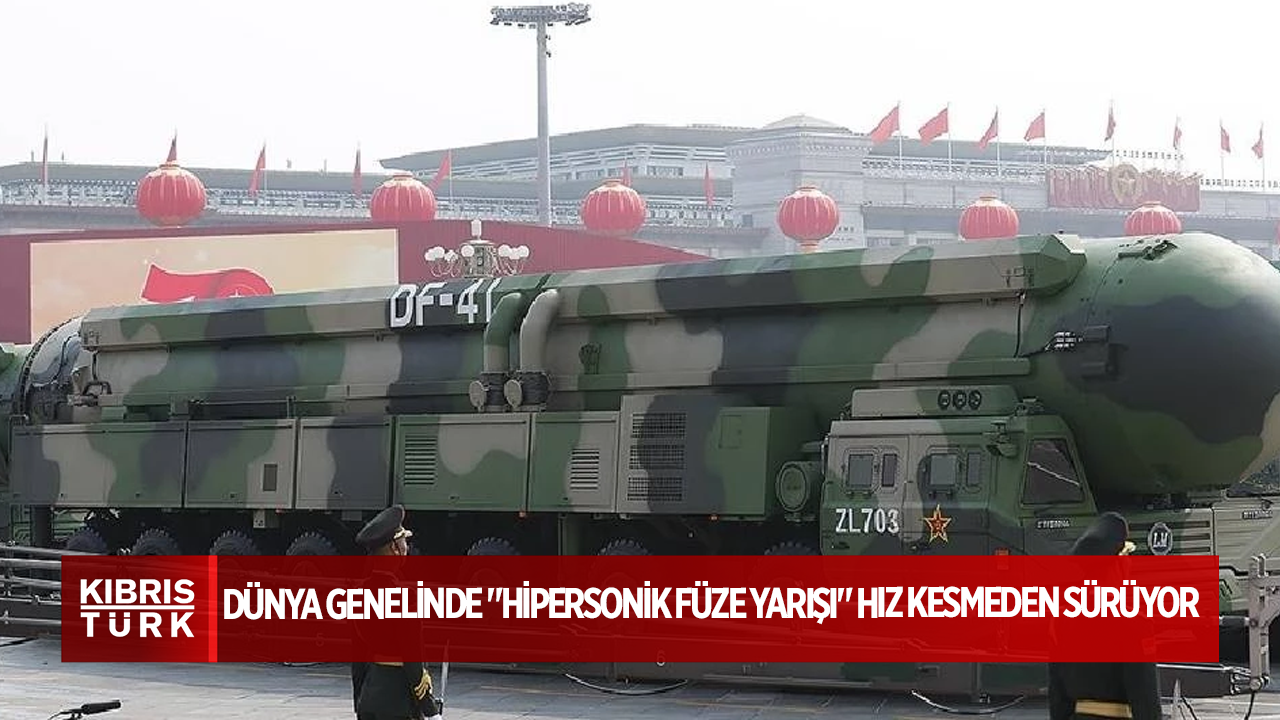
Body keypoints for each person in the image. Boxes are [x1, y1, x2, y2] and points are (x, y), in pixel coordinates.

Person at [1047, 511, 1161, 720]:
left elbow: (1057, 698)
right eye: (1126, 558)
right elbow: (1144, 697)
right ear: (1117, 565)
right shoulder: (1134, 622)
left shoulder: (1061, 620)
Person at [349, 505, 443, 720]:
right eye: (404, 542)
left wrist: (360, 699)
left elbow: (358, 658)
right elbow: (412, 659)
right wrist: (430, 710)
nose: (406, 547)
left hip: (370, 697)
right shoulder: (406, 597)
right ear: (394, 548)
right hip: (400, 702)